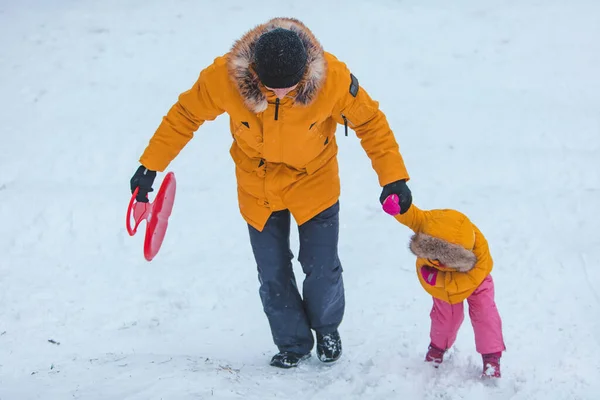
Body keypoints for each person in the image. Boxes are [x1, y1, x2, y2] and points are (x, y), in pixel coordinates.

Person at [130, 18, 413, 368]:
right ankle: (292, 343)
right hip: (257, 185)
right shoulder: (224, 78)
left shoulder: (333, 79)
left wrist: (393, 177)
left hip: (314, 181)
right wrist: (150, 166)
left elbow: (370, 123)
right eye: (272, 88)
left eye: (288, 88)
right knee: (272, 272)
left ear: (304, 72)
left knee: (321, 266)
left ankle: (326, 328)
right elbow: (185, 115)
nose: (280, 95)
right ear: (255, 72)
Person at [387, 202, 506, 377]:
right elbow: (410, 215)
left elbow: (466, 281)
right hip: (442, 287)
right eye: (434, 257)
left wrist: (438, 279)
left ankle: (491, 356)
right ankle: (437, 346)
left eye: (445, 260)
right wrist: (396, 204)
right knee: (445, 317)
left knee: (484, 314)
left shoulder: (478, 258)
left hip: (475, 282)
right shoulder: (428, 227)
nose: (438, 263)